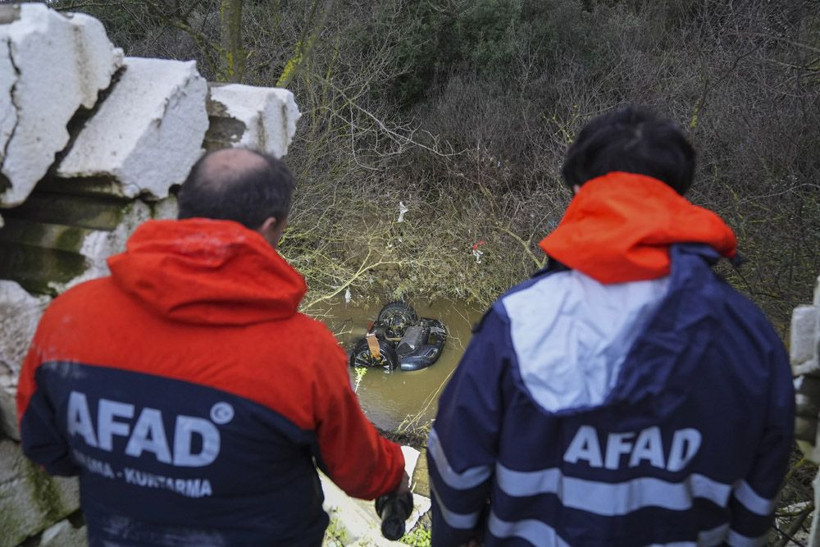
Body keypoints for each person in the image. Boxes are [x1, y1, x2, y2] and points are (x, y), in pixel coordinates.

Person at [427, 106, 795, 546]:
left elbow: (457, 463)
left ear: (580, 191)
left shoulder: (520, 321)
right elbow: (757, 498)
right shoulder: (753, 338)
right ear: (679, 194)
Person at [17, 148, 409, 546]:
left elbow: (46, 448)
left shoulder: (69, 316)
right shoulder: (304, 352)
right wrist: (394, 474)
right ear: (271, 226)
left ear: (185, 207)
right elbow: (360, 470)